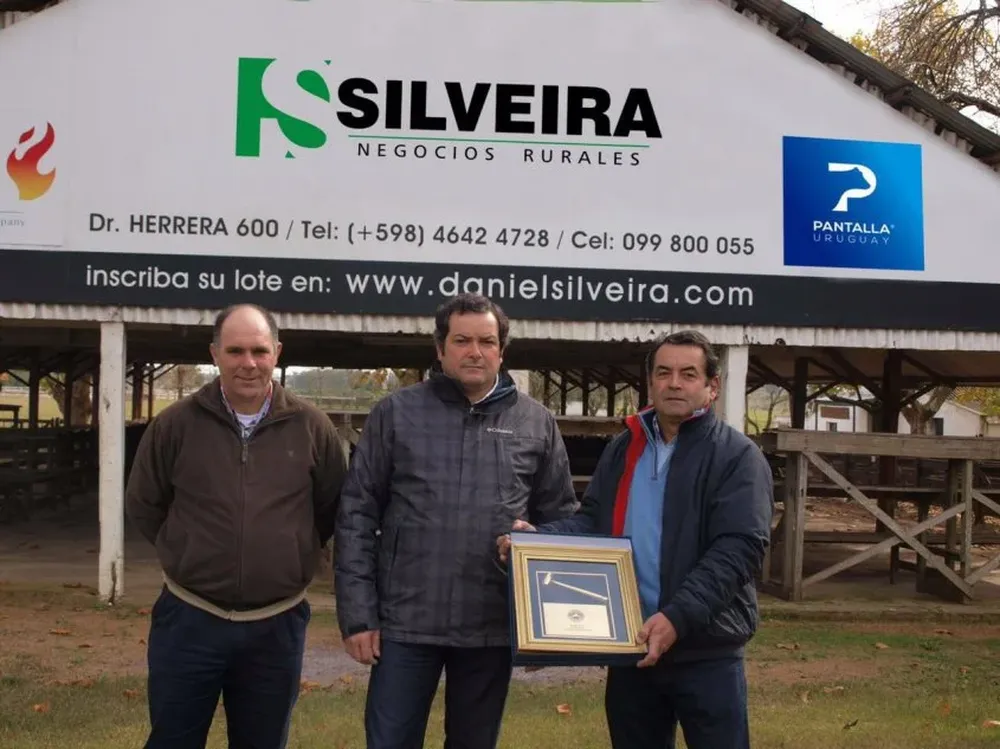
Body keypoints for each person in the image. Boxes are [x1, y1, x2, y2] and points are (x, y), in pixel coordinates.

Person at [497, 330, 773, 749]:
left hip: (706, 650)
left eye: (688, 373)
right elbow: (593, 523)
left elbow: (738, 549)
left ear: (711, 387)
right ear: (650, 383)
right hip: (632, 646)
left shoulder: (737, 456)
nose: (674, 383)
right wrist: (537, 540)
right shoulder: (625, 447)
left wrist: (677, 618)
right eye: (663, 372)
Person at [334, 292, 579, 749]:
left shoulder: (535, 423)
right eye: (462, 340)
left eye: (486, 341)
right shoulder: (396, 414)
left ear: (502, 351)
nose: (475, 351)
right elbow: (356, 517)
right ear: (440, 348)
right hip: (405, 625)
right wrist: (358, 615)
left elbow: (561, 521)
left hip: (490, 626)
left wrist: (547, 629)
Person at [125, 303, 347, 749]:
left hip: (276, 625)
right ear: (215, 353)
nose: (249, 363)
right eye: (236, 351)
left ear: (277, 352)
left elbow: (330, 508)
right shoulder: (175, 425)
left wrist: (287, 550)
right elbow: (146, 505)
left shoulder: (311, 427)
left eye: (260, 351)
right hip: (189, 619)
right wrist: (190, 550)